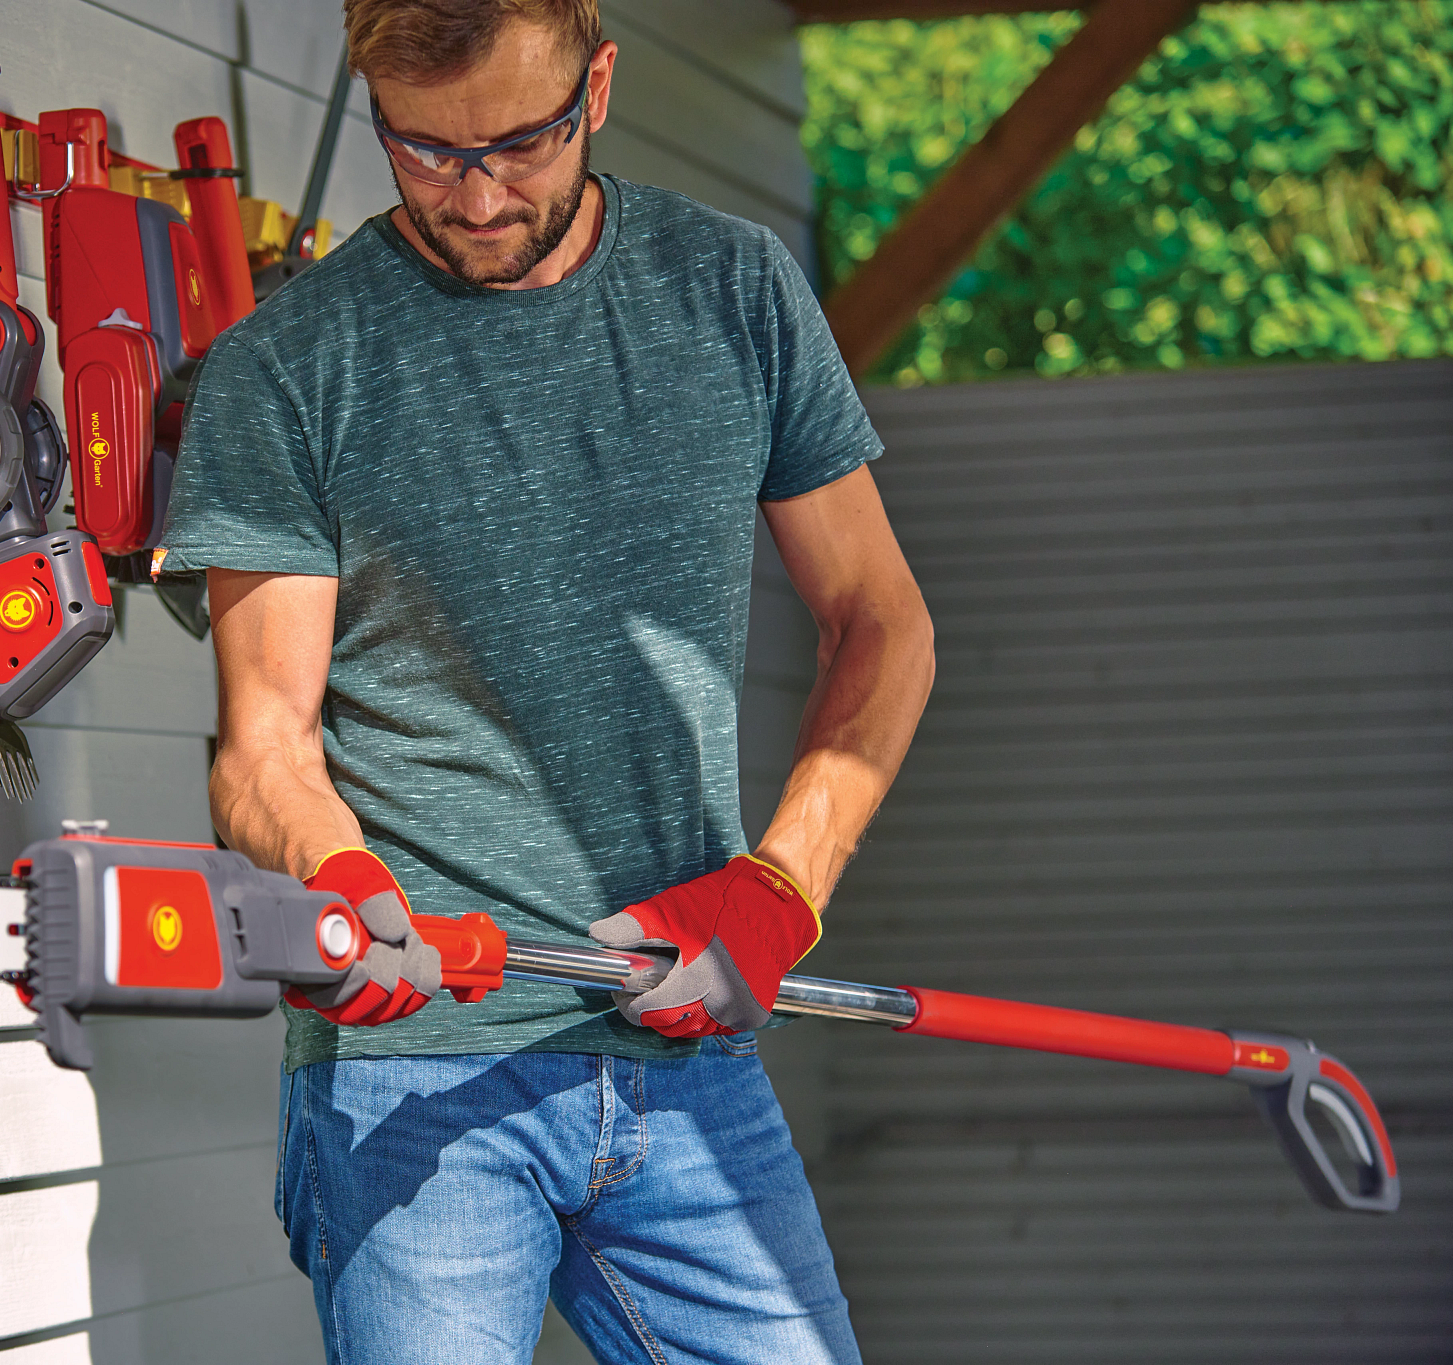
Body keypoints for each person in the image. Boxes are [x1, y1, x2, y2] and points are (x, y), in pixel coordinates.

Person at [160, 1, 933, 1360]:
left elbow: (881, 622)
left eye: (523, 141)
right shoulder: (291, 365)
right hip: (418, 1082)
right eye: (426, 152)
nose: (477, 194)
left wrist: (780, 889)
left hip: (690, 1064)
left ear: (602, 83)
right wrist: (340, 886)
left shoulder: (732, 292)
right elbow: (262, 748)